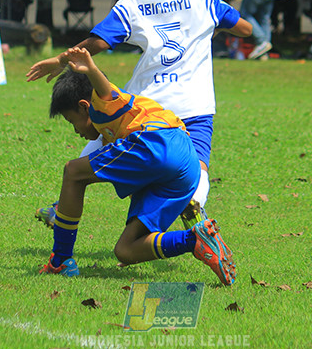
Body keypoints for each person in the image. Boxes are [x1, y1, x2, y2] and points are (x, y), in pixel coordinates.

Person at [26, 0, 252, 228]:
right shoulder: (204, 1)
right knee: (198, 165)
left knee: (99, 146)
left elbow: (97, 44)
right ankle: (196, 203)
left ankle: (60, 206)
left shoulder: (132, 6)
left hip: (148, 108)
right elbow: (245, 29)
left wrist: (60, 60)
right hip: (195, 106)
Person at [37, 47, 236, 285]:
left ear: (83, 106)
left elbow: (105, 91)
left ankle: (60, 261)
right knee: (126, 250)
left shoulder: (102, 106)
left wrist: (91, 69)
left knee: (73, 172)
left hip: (156, 142)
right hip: (185, 161)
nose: (76, 130)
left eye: (72, 121)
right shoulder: (115, 125)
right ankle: (195, 241)